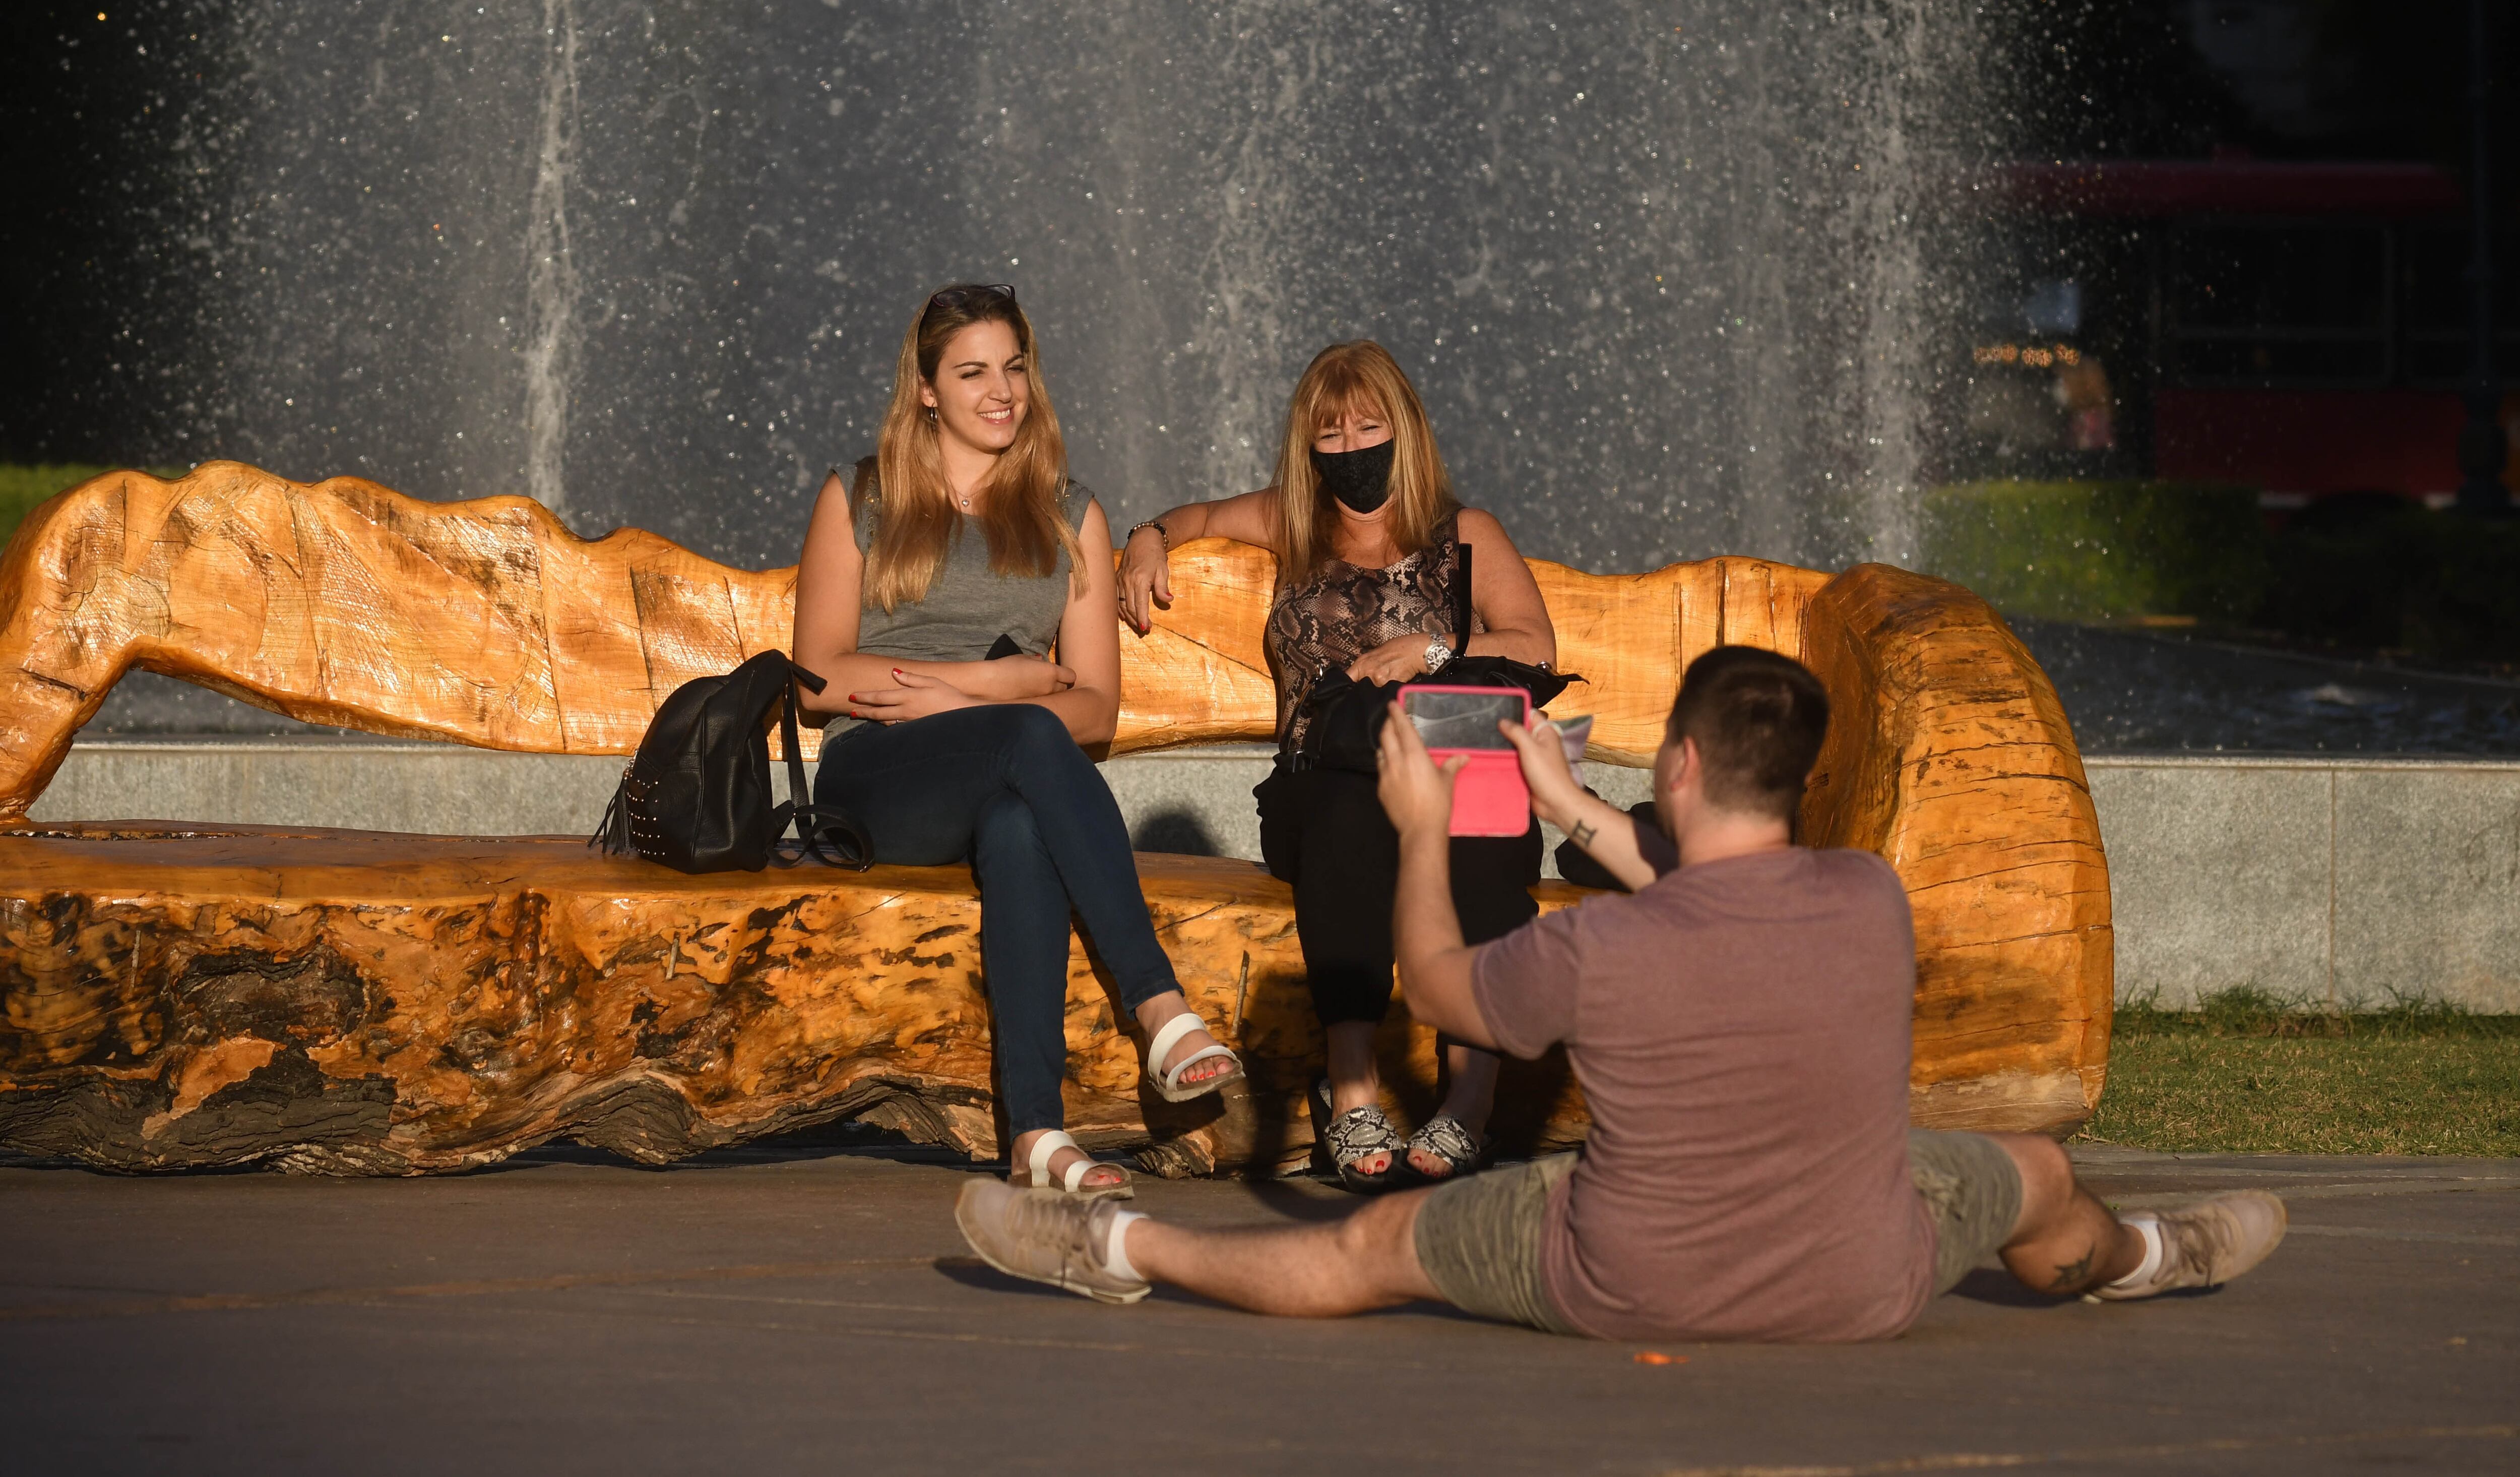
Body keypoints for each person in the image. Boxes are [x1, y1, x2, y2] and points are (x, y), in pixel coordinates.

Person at [952, 645, 2289, 1336]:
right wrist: (1570, 805)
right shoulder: (1867, 899)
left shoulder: (1596, 953)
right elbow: (1710, 886)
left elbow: (1435, 981)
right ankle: (2150, 1260)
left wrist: (1428, 824)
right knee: (2040, 1173)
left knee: (1371, 1249)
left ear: (1687, 764)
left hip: (1626, 1274)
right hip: (1863, 1276)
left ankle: (1116, 1248)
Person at [792, 282, 1242, 1198]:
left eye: (1014, 367)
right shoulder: (861, 496)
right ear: (926, 390)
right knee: (1029, 735)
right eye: (972, 372)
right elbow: (817, 678)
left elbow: (1097, 714)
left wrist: (967, 693)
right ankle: (1159, 1008)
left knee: (1018, 824)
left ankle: (1036, 1133)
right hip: (878, 772)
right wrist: (999, 687)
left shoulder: (1068, 515)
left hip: (997, 763)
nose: (1001, 391)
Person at [1116, 340, 1560, 1188]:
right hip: (1319, 778)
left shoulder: (1464, 534)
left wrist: (1425, 649)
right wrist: (1146, 538)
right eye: (1331, 431)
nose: (1352, 445)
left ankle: (1471, 1096)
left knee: (1483, 831)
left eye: (1370, 424)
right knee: (1350, 817)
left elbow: (1534, 646)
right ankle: (1352, 1091)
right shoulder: (1293, 519)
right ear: (1307, 445)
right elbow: (1197, 514)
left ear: (1407, 428)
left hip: (1443, 763)